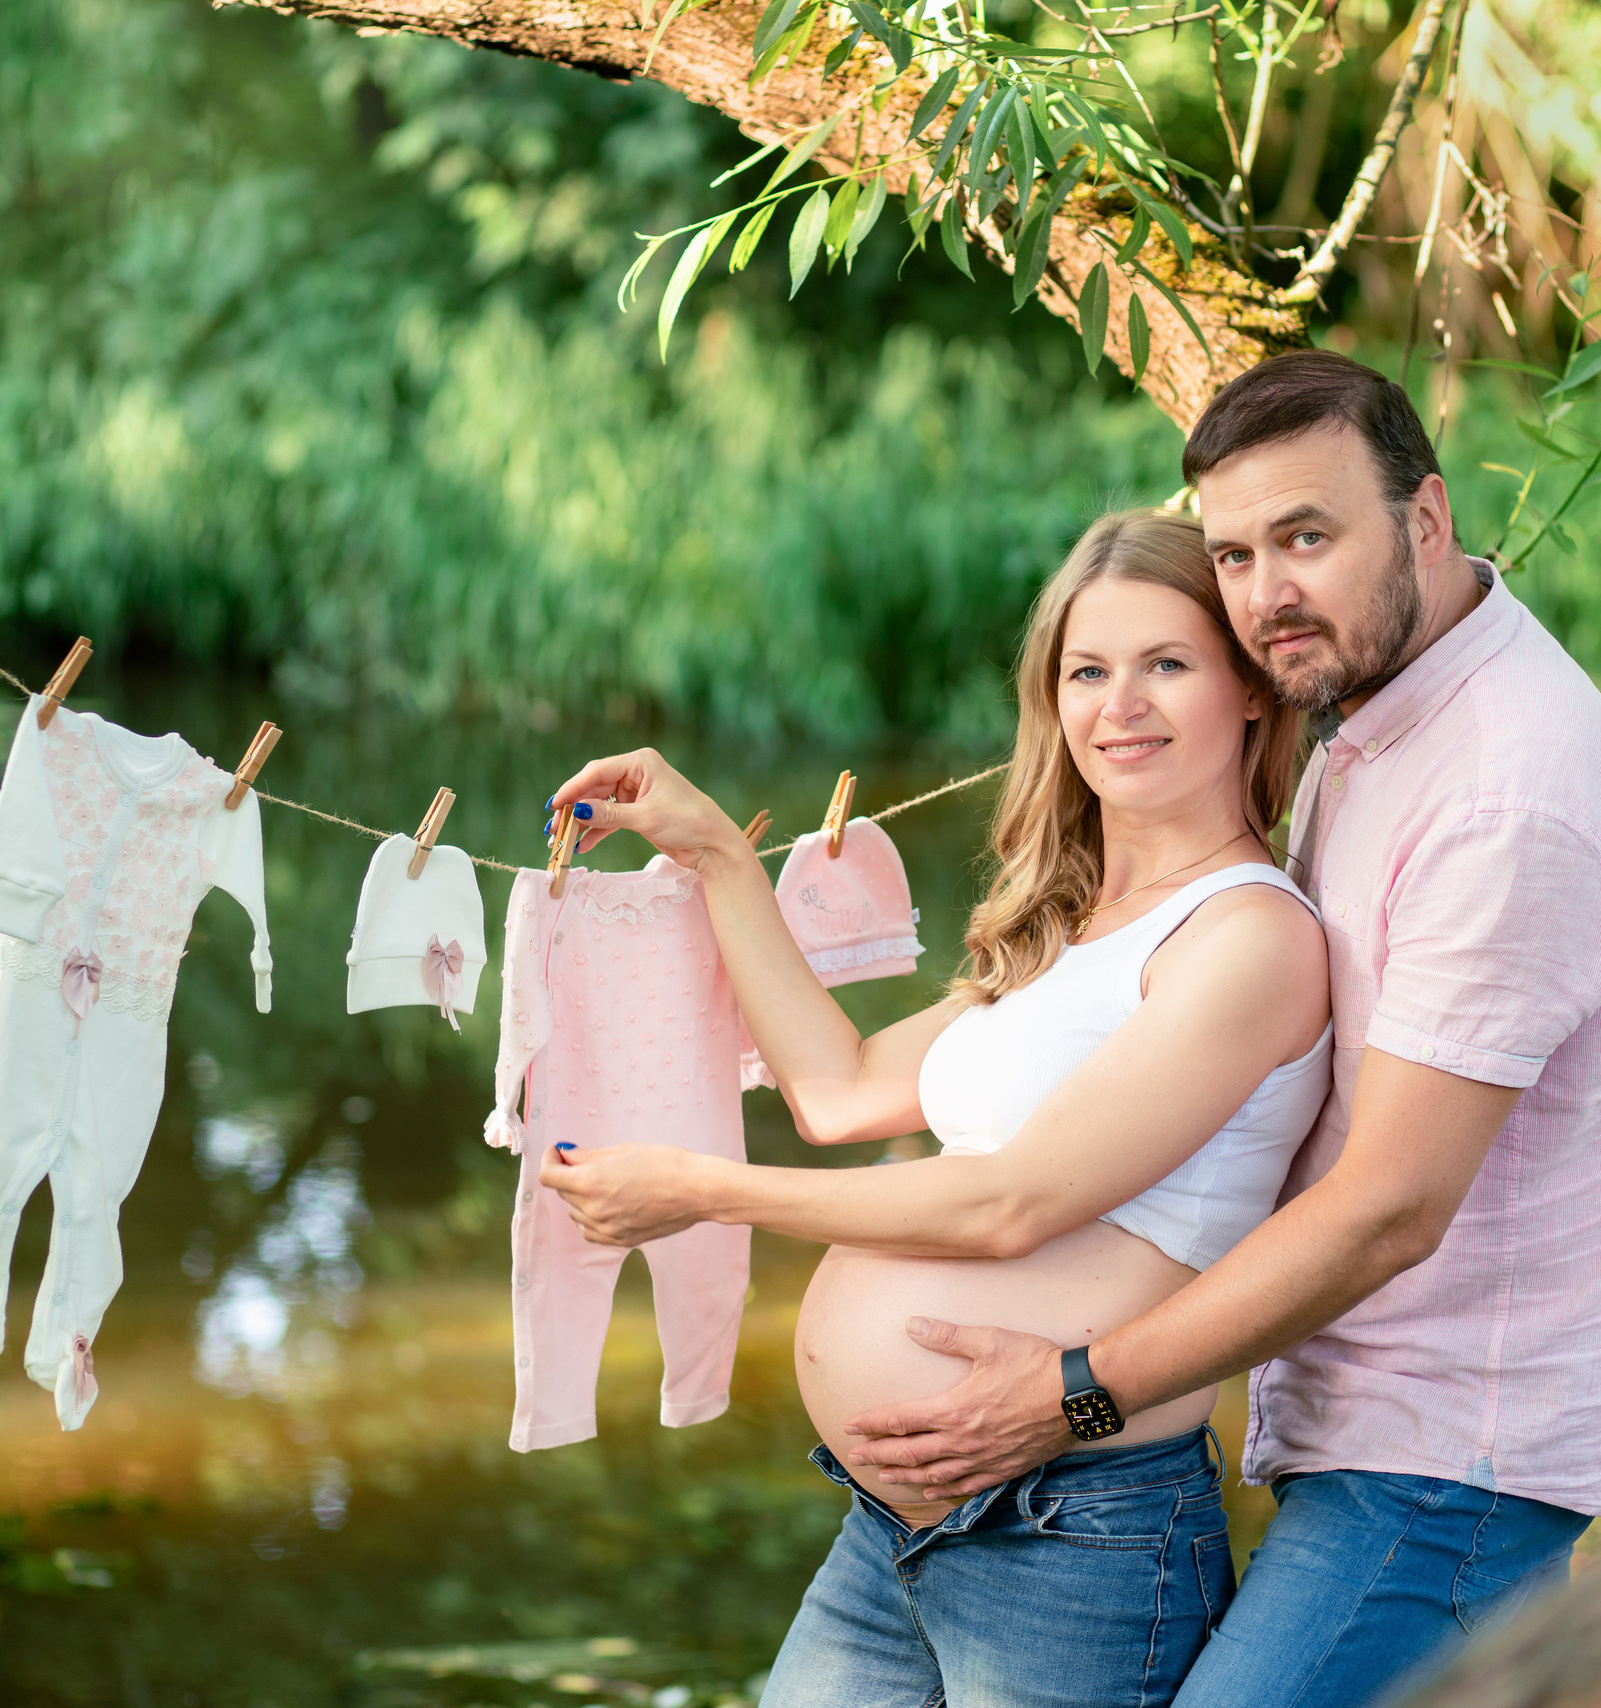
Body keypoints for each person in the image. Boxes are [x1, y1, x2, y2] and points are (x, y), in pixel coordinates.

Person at [830, 352, 1601, 1706]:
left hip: (1450, 1463)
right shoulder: (1379, 722)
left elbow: (1388, 1209)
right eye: (1233, 553)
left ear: (1425, 520)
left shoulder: (1507, 793)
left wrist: (1073, 1393)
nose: (1265, 595)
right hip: (1351, 1427)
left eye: (1307, 536)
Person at [536, 509, 1335, 1708]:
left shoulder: (1246, 938)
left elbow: (1011, 1204)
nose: (1120, 704)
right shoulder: (1067, 930)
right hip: (891, 1530)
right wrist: (714, 855)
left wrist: (697, 1189)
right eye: (1087, 671)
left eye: (1166, 663)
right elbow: (838, 1089)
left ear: (1251, 692)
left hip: (1075, 1530)